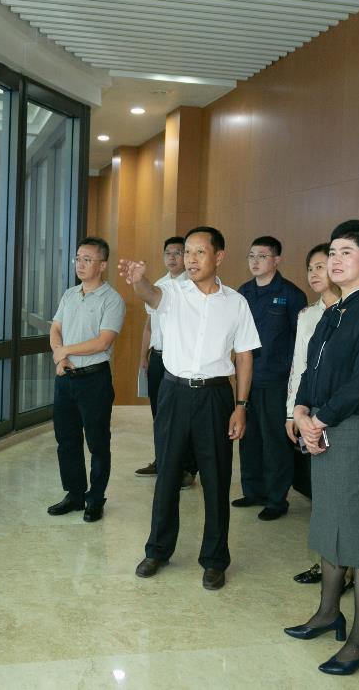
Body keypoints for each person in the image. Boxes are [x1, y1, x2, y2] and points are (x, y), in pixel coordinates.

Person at [118, 226, 260, 590]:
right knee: (167, 473)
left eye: (199, 252)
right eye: (187, 252)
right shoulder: (172, 292)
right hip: (174, 393)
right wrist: (138, 279)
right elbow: (149, 294)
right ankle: (157, 550)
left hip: (216, 396)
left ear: (219, 256)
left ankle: (215, 560)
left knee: (216, 478)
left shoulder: (236, 303)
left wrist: (241, 406)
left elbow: (244, 357)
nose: (190, 259)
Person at [285, 220, 359, 677]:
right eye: (332, 252)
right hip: (324, 427)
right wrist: (301, 410)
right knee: (329, 526)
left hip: (358, 434)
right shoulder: (333, 312)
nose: (334, 260)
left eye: (346, 252)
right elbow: (310, 370)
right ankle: (329, 613)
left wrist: (319, 419)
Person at [47, 237, 126, 523]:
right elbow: (55, 329)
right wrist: (60, 357)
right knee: (66, 440)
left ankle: (96, 499)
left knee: (97, 443)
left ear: (102, 265)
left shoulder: (112, 299)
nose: (80, 264)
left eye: (87, 260)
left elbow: (103, 342)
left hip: (94, 380)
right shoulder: (70, 294)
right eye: (78, 259)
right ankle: (75, 494)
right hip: (65, 378)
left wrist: (65, 350)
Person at [234, 236, 306, 520]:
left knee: (275, 441)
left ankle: (277, 499)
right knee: (248, 437)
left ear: (277, 260)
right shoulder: (243, 292)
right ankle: (254, 491)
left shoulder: (291, 294)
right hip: (247, 378)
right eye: (251, 256)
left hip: (276, 380)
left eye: (262, 256)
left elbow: (299, 341)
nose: (255, 261)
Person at [284, 243, 343, 584]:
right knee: (319, 494)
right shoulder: (307, 315)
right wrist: (291, 412)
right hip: (309, 413)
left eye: (321, 266)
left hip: (344, 416)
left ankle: (346, 567)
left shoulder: (355, 312)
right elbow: (299, 366)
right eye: (310, 268)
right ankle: (325, 564)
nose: (314, 274)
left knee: (341, 496)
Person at [135, 236, 197, 488]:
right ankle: (162, 460)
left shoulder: (192, 286)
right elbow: (150, 325)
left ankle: (187, 468)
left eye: (178, 253)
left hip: (181, 361)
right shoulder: (157, 286)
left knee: (182, 416)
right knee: (159, 413)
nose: (172, 258)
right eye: (168, 253)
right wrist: (144, 355)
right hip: (159, 358)